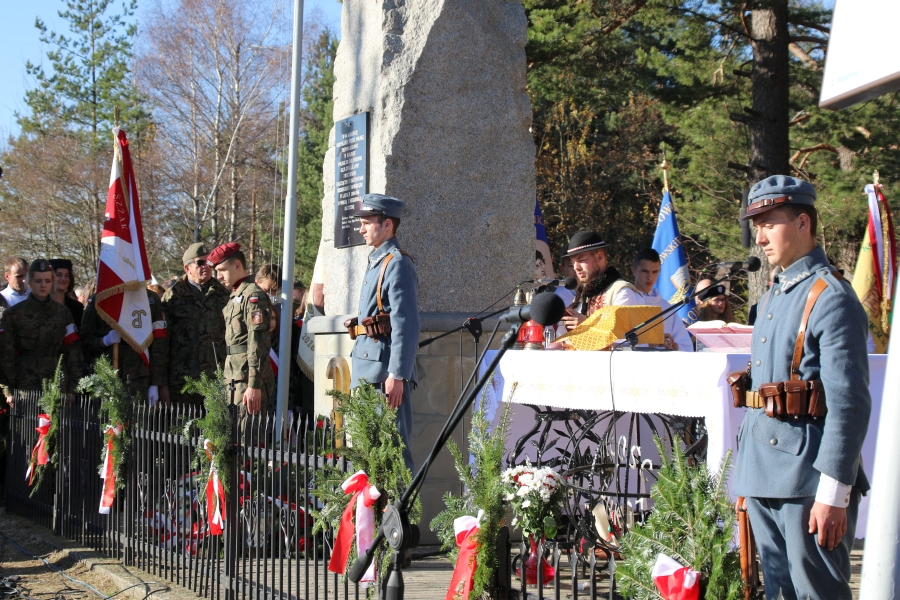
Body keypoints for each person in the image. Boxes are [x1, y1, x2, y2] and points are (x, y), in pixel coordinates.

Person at [732, 175, 870, 600]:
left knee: (817, 593)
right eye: (757, 227)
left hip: (809, 480)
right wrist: (748, 478)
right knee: (779, 593)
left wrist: (834, 492)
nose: (760, 238)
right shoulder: (774, 296)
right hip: (764, 474)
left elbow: (849, 404)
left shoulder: (831, 296)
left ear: (802, 223)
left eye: (768, 224)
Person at [348, 194, 419, 471]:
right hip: (368, 370)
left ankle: (401, 504)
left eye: (367, 223)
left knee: (394, 457)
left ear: (387, 224)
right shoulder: (377, 261)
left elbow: (405, 324)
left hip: (385, 375)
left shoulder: (397, 263)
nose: (361, 229)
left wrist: (397, 374)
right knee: (371, 457)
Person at [0, 259, 83, 406]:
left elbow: (73, 352)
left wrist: (73, 388)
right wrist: (8, 390)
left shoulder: (63, 313)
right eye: (38, 281)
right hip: (25, 386)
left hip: (57, 382)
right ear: (30, 282)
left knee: (56, 421)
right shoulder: (14, 314)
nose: (43, 285)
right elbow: (6, 354)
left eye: (47, 281)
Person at [207, 243, 275, 415]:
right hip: (234, 375)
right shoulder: (237, 295)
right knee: (234, 429)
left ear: (237, 265)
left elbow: (257, 341)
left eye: (222, 270)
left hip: (247, 378)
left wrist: (254, 384)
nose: (218, 276)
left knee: (247, 430)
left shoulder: (253, 295)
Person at [161, 243, 230, 404]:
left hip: (216, 379)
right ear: (187, 268)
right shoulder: (173, 296)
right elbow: (162, 342)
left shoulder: (222, 294)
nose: (206, 266)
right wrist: (161, 383)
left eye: (209, 262)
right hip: (182, 381)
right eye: (200, 262)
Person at [81, 287, 169, 405]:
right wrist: (104, 341)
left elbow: (159, 344)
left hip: (139, 380)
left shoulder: (150, 298)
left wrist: (155, 383)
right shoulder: (99, 299)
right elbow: (84, 339)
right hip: (105, 377)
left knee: (138, 417)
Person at [559, 230, 641, 331]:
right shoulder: (581, 296)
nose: (576, 267)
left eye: (581, 260)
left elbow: (624, 335)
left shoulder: (622, 292)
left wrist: (586, 325)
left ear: (599, 257)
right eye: (573, 263)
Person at [629, 248, 694, 352]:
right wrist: (650, 343)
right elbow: (617, 341)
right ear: (634, 271)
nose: (650, 277)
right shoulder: (626, 302)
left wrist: (674, 347)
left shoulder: (666, 307)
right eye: (644, 271)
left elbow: (686, 347)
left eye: (655, 272)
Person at [49, 259, 85, 327]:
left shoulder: (77, 307)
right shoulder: (41, 305)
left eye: (67, 275)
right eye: (59, 275)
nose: (63, 279)